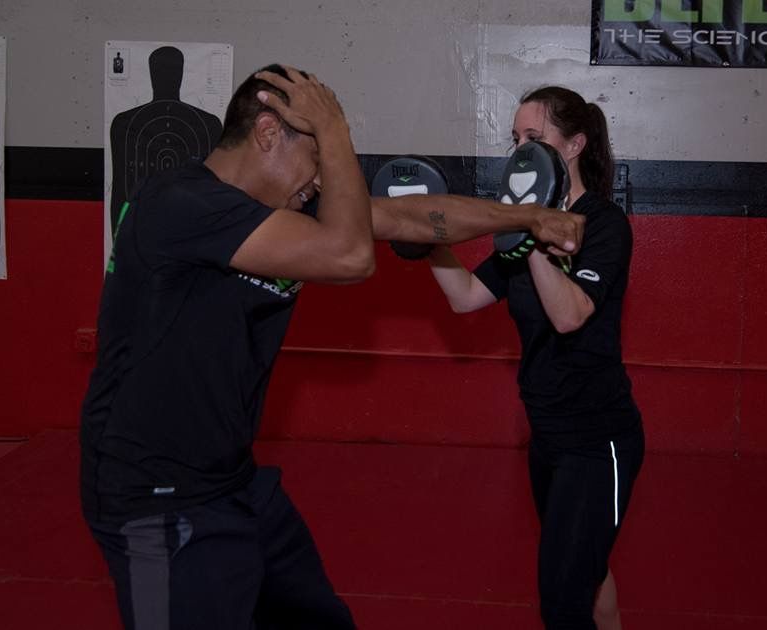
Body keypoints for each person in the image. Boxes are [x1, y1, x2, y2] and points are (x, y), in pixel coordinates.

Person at [79, 65, 585, 630]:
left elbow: (412, 217)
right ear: (268, 133)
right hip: (156, 499)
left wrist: (529, 216)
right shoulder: (180, 202)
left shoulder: (270, 215)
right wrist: (335, 130)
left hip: (231, 481)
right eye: (317, 158)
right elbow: (349, 257)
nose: (320, 181)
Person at [426, 87, 644, 630]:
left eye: (534, 138)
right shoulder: (521, 227)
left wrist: (535, 240)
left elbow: (570, 316)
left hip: (598, 440)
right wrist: (427, 240)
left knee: (563, 598)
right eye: (515, 139)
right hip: (546, 436)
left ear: (572, 145)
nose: (520, 150)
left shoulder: (604, 225)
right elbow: (465, 298)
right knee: (589, 574)